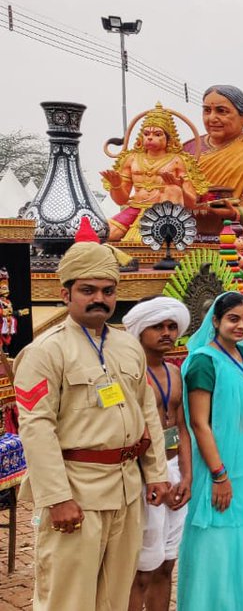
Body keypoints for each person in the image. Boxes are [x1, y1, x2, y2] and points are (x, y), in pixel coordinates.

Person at [13, 219, 169, 611]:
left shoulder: (127, 347)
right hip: (76, 492)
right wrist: (57, 498)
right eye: (87, 290)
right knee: (68, 599)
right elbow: (37, 429)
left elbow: (146, 412)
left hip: (126, 492)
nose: (99, 298)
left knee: (114, 598)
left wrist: (157, 474)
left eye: (107, 291)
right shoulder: (45, 352)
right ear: (65, 294)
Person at [177, 291, 243, 609]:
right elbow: (199, 424)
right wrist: (219, 474)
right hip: (218, 467)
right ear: (215, 321)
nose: (241, 326)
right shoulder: (203, 361)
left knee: (237, 538)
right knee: (214, 540)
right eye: (233, 319)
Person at [125, 297, 193, 611]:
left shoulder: (175, 372)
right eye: (157, 326)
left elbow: (182, 429)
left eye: (171, 327)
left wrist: (187, 476)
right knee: (140, 570)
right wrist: (156, 479)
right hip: (144, 477)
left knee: (167, 564)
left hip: (175, 469)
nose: (166, 333)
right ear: (139, 331)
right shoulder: (129, 376)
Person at [183, 85, 243, 236]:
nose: (212, 118)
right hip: (190, 236)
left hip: (239, 241)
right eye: (207, 111)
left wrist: (234, 212)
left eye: (222, 111)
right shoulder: (187, 149)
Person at [101, 103, 208, 241]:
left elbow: (192, 203)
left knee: (172, 190)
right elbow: (121, 200)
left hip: (163, 213)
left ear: (169, 139)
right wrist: (116, 185)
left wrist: (180, 188)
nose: (150, 137)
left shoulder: (178, 161)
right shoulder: (131, 159)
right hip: (135, 209)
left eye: (157, 134)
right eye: (146, 134)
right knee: (103, 233)